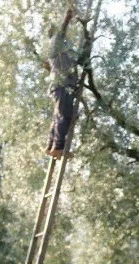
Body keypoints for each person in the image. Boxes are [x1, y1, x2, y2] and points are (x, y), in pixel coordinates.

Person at [45, 9, 78, 159]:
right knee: (64, 116)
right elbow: (61, 33)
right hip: (62, 85)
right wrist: (67, 19)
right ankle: (58, 147)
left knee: (59, 116)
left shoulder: (61, 50)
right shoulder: (55, 43)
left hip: (62, 85)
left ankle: (51, 145)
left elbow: (75, 59)